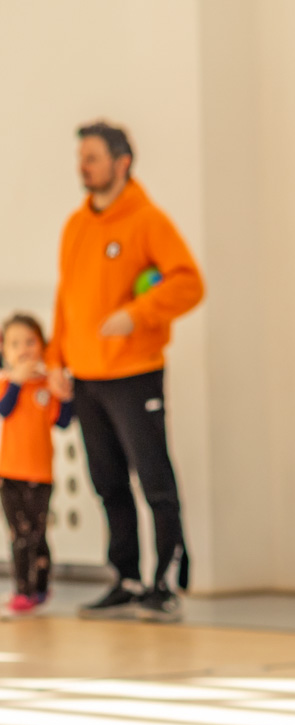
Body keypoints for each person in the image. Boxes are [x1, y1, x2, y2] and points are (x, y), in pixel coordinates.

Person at [46, 121, 204, 622]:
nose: (83, 167)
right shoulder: (76, 226)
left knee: (154, 479)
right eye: (81, 157)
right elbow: (66, 300)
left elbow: (188, 283)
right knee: (107, 482)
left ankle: (165, 582)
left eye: (92, 157)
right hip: (87, 378)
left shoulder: (147, 221)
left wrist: (137, 314)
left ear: (122, 162)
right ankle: (126, 578)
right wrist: (56, 361)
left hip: (134, 372)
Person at [0, 314, 74, 613]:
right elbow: (4, 409)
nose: (23, 349)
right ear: (5, 350)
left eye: (30, 341)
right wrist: (17, 381)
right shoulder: (7, 384)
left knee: (37, 533)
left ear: (42, 346)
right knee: (19, 534)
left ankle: (40, 587)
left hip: (41, 475)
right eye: (15, 343)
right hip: (9, 474)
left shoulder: (47, 385)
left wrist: (66, 397)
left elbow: (63, 421)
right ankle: (23, 590)